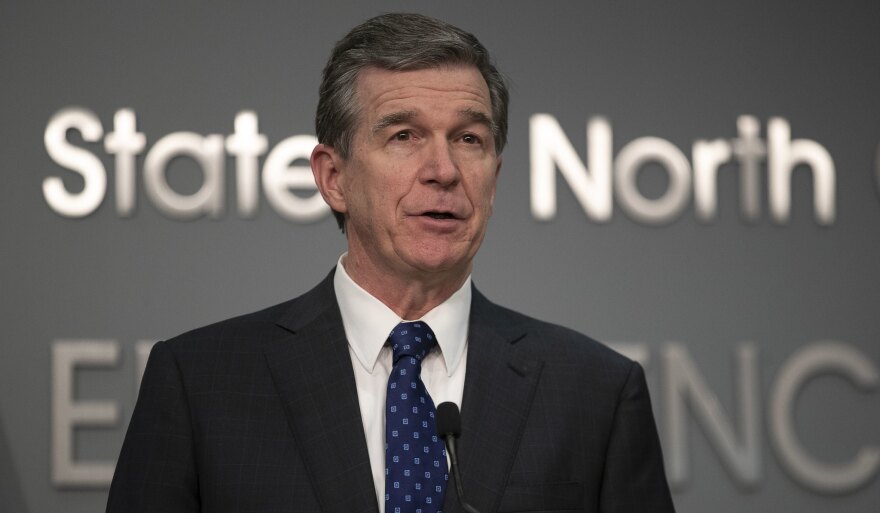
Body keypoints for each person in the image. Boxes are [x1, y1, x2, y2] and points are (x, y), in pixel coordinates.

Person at [106, 13, 675, 513]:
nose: (444, 170)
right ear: (334, 179)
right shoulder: (201, 383)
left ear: (495, 180)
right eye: (404, 135)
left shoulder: (595, 392)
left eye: (469, 139)